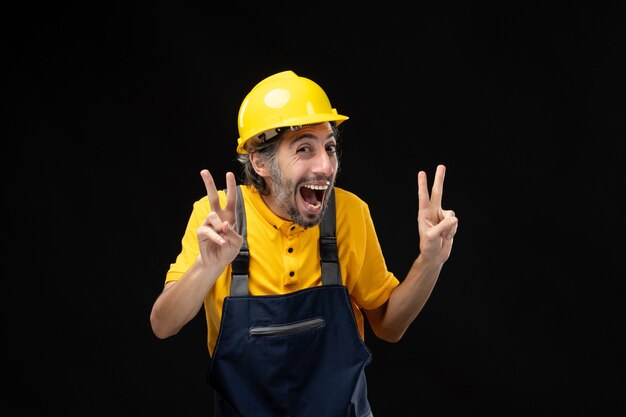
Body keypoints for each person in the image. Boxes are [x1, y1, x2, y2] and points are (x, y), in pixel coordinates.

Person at [150, 70, 459, 417]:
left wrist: (430, 261)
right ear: (260, 162)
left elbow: (388, 326)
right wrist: (208, 267)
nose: (326, 166)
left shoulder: (349, 214)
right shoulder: (217, 217)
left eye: (329, 147)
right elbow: (163, 324)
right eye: (304, 149)